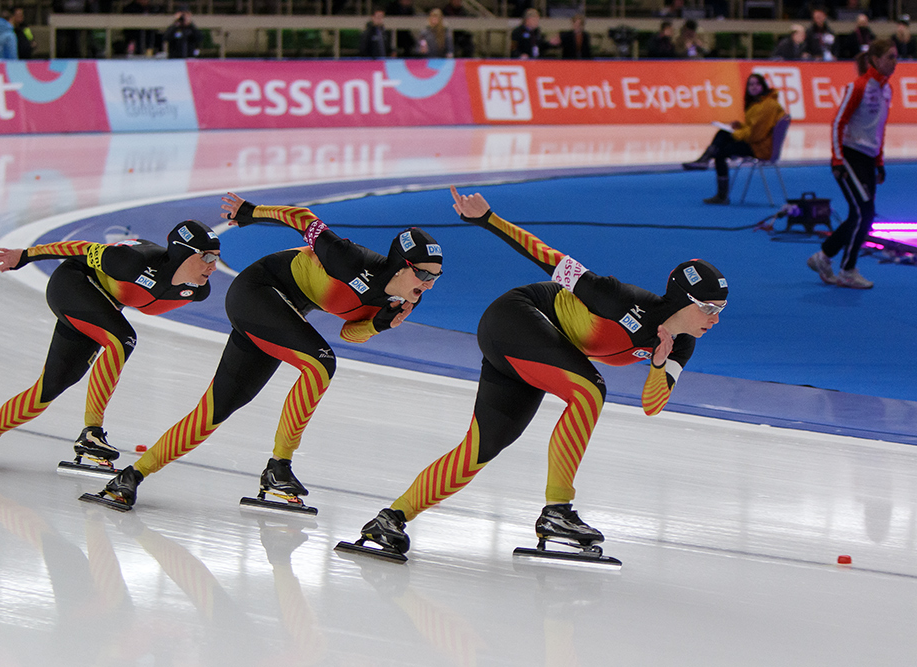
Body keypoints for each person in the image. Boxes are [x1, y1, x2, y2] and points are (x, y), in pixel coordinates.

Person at [347, 186, 728, 560]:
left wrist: (659, 363)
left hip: (530, 352)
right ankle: (558, 511)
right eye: (708, 308)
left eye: (720, 310)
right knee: (590, 389)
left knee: (480, 448)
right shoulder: (618, 298)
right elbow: (551, 259)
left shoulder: (681, 344)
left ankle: (390, 519)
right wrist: (488, 219)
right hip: (517, 317)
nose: (714, 318)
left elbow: (652, 405)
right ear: (684, 299)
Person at [89, 195, 444, 509]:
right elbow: (304, 218)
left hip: (282, 311)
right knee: (320, 362)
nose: (428, 286)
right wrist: (250, 212)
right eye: (424, 275)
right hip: (258, 291)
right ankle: (280, 466)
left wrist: (381, 325)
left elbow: (350, 333)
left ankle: (130, 477)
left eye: (435, 279)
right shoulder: (352, 260)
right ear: (401, 265)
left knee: (216, 409)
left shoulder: (396, 300)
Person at [0, 222, 220, 471]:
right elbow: (79, 248)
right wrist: (24, 256)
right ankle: (92, 432)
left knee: (51, 386)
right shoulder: (132, 261)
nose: (213, 266)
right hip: (73, 283)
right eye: (206, 257)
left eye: (217, 258)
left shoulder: (196, 291)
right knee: (122, 339)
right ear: (183, 253)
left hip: (100, 305)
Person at [807, 39, 897, 289]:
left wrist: (879, 162)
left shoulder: (887, 90)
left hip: (868, 159)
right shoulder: (858, 87)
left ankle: (823, 257)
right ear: (875, 60)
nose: (895, 62)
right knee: (864, 213)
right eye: (890, 57)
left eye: (896, 57)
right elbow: (838, 123)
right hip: (848, 157)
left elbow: (878, 129)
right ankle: (847, 270)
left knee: (861, 214)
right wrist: (837, 159)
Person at [682, 73, 786, 205]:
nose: (753, 87)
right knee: (723, 134)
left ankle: (718, 188)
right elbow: (754, 127)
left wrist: (736, 133)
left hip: (760, 147)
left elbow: (756, 134)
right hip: (758, 144)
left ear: (763, 86)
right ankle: (705, 161)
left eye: (757, 84)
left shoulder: (767, 106)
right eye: (750, 84)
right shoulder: (760, 103)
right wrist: (740, 126)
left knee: (721, 149)